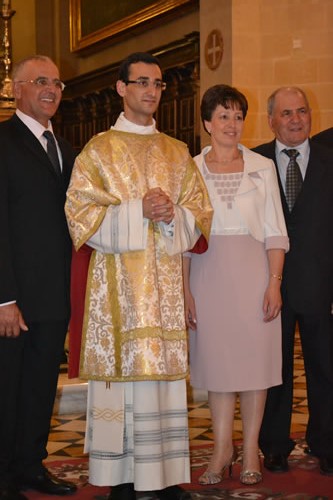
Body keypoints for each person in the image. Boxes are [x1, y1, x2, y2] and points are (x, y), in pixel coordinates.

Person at [65, 52, 213, 500]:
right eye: (142, 82)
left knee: (165, 386)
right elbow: (79, 214)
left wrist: (173, 217)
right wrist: (136, 211)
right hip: (118, 294)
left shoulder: (176, 150)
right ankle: (122, 482)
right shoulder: (99, 150)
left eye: (159, 83)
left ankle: (165, 479)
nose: (152, 91)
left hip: (164, 292)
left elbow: (199, 213)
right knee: (125, 385)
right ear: (121, 89)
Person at [182, 84, 289, 486]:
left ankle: (249, 450)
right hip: (207, 276)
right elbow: (183, 238)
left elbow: (276, 231)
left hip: (254, 274)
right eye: (223, 116)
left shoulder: (263, 167)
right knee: (218, 365)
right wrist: (185, 290)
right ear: (207, 122)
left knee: (254, 368)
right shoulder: (189, 169)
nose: (232, 124)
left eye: (238, 116)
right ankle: (222, 447)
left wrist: (274, 283)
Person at [0, 55, 77, 500]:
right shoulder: (2, 141)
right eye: (40, 81)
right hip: (13, 299)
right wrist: (4, 297)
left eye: (57, 83)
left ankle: (31, 466)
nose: (51, 89)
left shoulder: (66, 148)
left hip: (53, 296)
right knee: (6, 388)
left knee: (40, 387)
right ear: (18, 89)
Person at [253, 87, 333, 476]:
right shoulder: (254, 162)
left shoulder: (330, 160)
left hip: (322, 286)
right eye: (287, 113)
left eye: (302, 111)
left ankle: (328, 444)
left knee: (326, 369)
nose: (296, 119)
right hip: (271, 287)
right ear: (272, 120)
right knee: (274, 370)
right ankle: (274, 445)